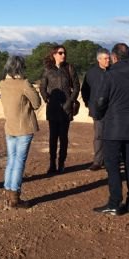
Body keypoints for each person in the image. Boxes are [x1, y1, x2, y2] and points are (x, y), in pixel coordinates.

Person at [93, 43, 129, 215]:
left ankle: (114, 202)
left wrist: (100, 114)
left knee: (113, 165)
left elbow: (101, 100)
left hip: (113, 126)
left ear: (115, 57)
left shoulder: (110, 75)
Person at [0, 55, 42, 209]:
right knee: (19, 163)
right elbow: (37, 103)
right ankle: (15, 198)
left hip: (9, 127)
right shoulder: (24, 83)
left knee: (11, 161)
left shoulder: (3, 83)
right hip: (24, 127)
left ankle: (7, 193)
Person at [39, 44, 80, 174]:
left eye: (64, 53)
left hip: (66, 108)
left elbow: (77, 87)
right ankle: (52, 164)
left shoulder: (69, 68)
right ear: (54, 54)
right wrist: (47, 99)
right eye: (60, 53)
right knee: (52, 137)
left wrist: (70, 101)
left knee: (63, 137)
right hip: (53, 108)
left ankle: (61, 163)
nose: (63, 55)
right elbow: (42, 87)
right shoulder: (47, 69)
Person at [81, 48, 110, 171]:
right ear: (99, 59)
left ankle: (111, 160)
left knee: (112, 135)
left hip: (112, 110)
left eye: (108, 58)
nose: (108, 60)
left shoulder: (114, 71)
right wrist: (90, 104)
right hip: (97, 111)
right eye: (105, 58)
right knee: (99, 136)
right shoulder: (91, 73)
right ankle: (98, 161)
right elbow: (85, 90)